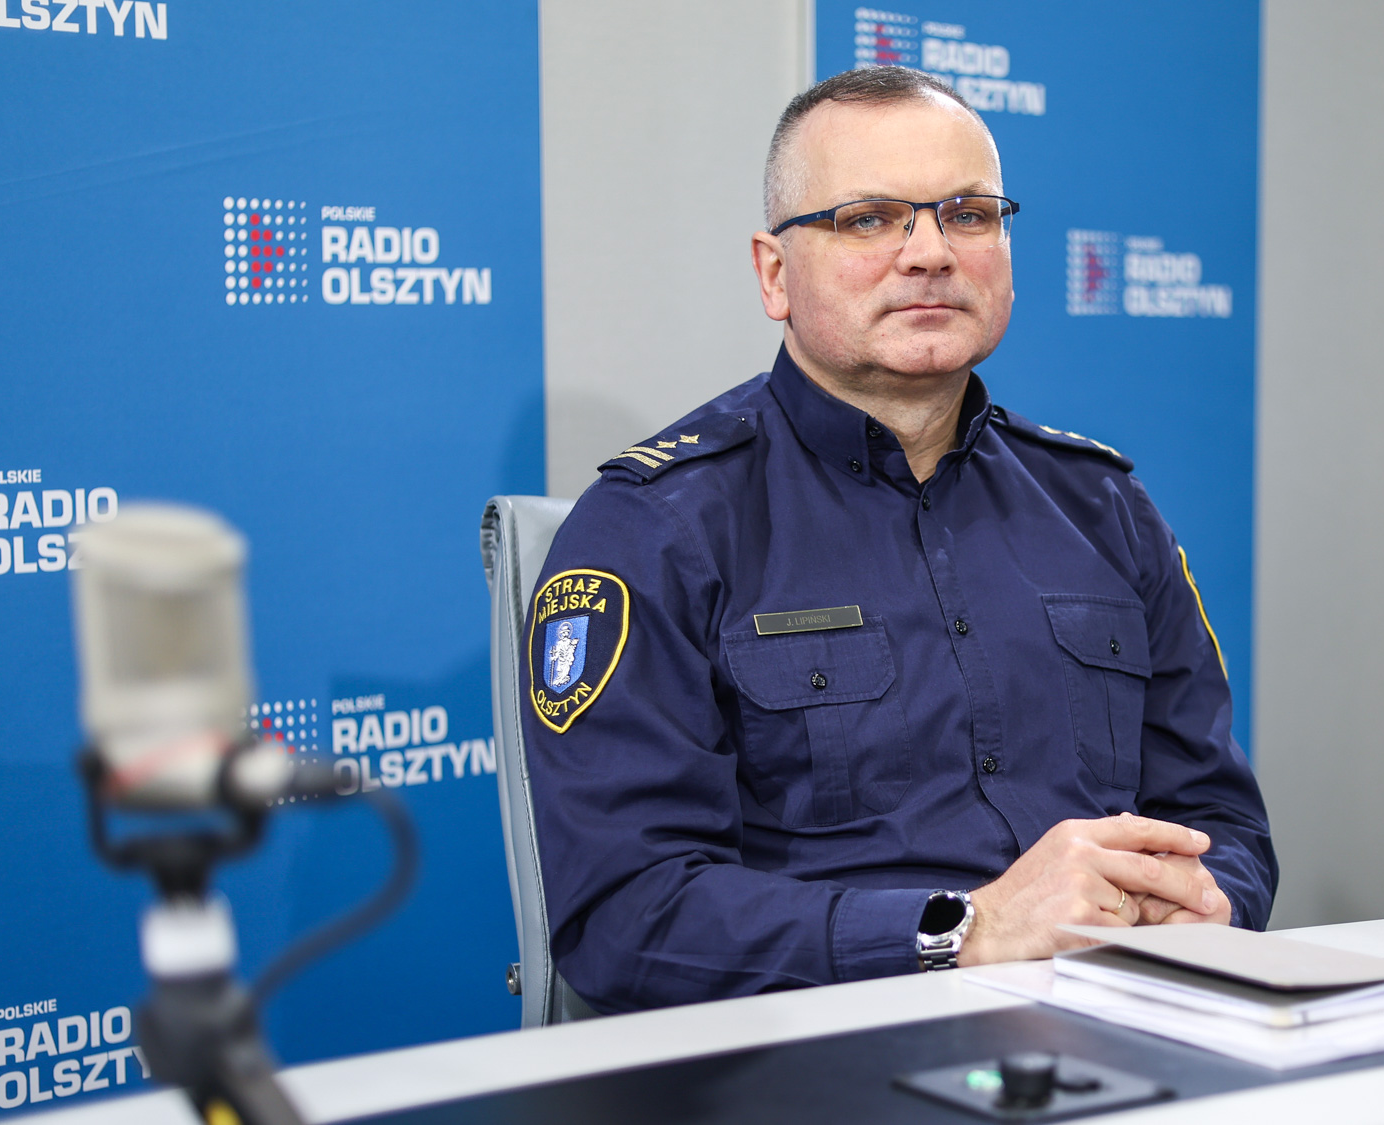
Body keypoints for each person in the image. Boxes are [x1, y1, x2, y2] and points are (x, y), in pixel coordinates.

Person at [522, 65, 1275, 1014]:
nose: (930, 252)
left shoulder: (1104, 506)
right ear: (773, 273)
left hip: (1122, 1026)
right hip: (814, 1052)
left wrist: (1206, 905)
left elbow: (1222, 821)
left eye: (969, 213)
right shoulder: (655, 527)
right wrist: (964, 930)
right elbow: (625, 918)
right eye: (868, 218)